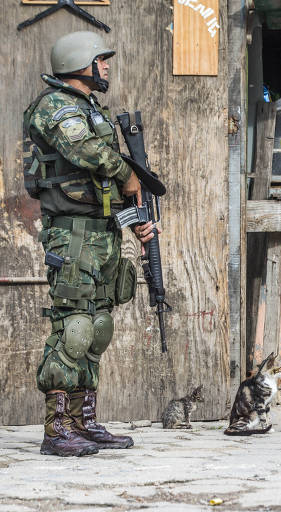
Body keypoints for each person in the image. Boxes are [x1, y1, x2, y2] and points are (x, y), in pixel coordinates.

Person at [24, 31, 156, 457]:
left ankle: (84, 421)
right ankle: (57, 428)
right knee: (74, 329)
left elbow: (98, 184)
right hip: (73, 235)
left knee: (97, 327)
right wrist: (128, 173)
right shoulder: (56, 106)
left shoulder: (88, 108)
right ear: (80, 62)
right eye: (101, 60)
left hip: (102, 234)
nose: (107, 67)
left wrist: (135, 219)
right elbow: (83, 151)